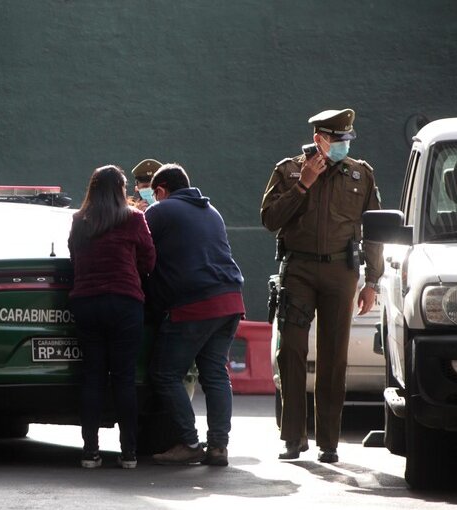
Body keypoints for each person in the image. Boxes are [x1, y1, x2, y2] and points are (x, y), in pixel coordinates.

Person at [261, 108, 384, 464]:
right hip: (297, 270)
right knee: (292, 353)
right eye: (338, 140)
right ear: (319, 139)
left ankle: (328, 442)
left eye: (348, 139)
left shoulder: (361, 174)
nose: (344, 145)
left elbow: (374, 230)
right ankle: (293, 437)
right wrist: (303, 185)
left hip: (340, 273)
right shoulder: (288, 172)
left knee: (334, 357)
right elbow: (270, 219)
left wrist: (371, 281)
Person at [143, 163, 246, 467]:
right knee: (215, 374)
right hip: (230, 300)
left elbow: (137, 250)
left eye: (153, 193)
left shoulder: (160, 211)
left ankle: (189, 442)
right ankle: (218, 447)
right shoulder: (211, 211)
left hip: (194, 305)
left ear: (160, 190)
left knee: (165, 373)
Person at [68, 164, 156, 469]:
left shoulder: (80, 220)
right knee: (124, 378)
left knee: (92, 377)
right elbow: (149, 259)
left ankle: (89, 452)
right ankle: (129, 452)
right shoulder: (134, 218)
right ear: (120, 190)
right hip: (124, 302)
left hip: (87, 302)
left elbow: (73, 257)